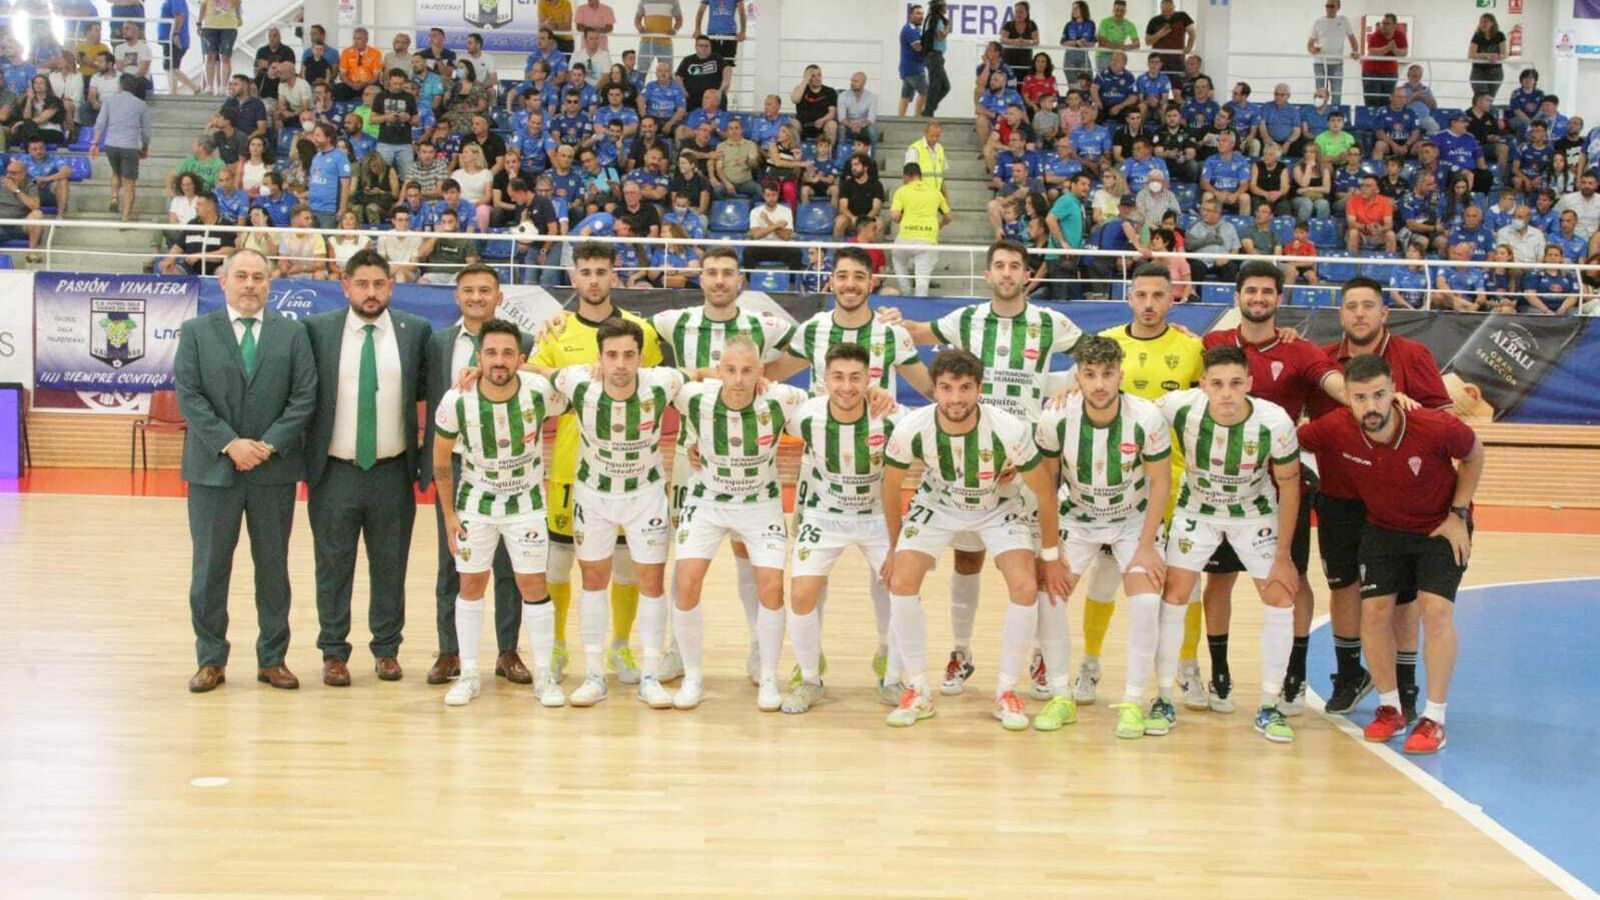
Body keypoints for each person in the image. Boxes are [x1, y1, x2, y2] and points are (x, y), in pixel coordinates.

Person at [876, 241, 1086, 697]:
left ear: (1027, 275)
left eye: (1015, 266)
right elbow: (922, 332)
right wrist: (897, 322)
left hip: (1022, 455)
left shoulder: (1051, 322)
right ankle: (961, 651)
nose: (1007, 273)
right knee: (966, 557)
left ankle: (1038, 656)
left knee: (1034, 567)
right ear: (988, 274)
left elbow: (1095, 356)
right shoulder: (967, 319)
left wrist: (1067, 388)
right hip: (964, 453)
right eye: (999, 266)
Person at [1299, 354, 1483, 754]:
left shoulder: (1434, 426)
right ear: (1347, 398)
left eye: (1380, 395)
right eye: (1361, 397)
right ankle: (1390, 707)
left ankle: (1434, 717)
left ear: (1394, 393)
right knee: (1375, 612)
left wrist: (1458, 513)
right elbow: (1288, 439)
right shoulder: (1335, 427)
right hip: (1383, 529)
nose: (1371, 406)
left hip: (1439, 528)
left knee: (1435, 611)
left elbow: (1473, 454)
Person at [880, 346, 1066, 730]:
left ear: (979, 388)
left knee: (1025, 586)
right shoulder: (913, 426)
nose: (956, 398)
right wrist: (895, 546)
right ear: (934, 389)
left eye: (965, 388)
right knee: (901, 580)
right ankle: (917, 689)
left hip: (998, 505)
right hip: (938, 503)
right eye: (946, 388)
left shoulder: (1009, 428)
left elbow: (1045, 491)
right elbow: (890, 485)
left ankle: (1006, 691)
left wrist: (1049, 553)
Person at [1199, 261, 1347, 717]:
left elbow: (1332, 382)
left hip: (1282, 484)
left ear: (1278, 299)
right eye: (1251, 290)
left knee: (1292, 577)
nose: (1258, 298)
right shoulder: (1214, 345)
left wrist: (1369, 396)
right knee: (1218, 578)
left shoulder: (1299, 351)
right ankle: (1219, 673)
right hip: (1223, 483)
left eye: (1267, 291)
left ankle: (1294, 673)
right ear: (1238, 296)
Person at [1303, 277, 1452, 716]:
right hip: (1340, 497)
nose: (1361, 314)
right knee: (1344, 585)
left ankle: (1405, 685)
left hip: (1397, 503)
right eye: (1352, 306)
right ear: (1341, 315)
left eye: (1370, 306)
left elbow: (1443, 426)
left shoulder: (1412, 356)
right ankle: (1351, 675)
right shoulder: (1324, 363)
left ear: (1384, 313)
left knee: (1403, 597)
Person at [174, 249, 318, 693]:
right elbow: (190, 396)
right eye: (242, 276)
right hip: (213, 472)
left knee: (273, 569)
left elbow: (304, 398)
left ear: (270, 284)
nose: (250, 284)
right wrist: (229, 443)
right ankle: (211, 659)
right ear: (223, 282)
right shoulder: (196, 332)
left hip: (273, 473)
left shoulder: (293, 334)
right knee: (210, 569)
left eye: (259, 276)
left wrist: (267, 445)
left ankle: (272, 659)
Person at [1149, 345, 1301, 742]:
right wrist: (1069, 391)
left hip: (1255, 514)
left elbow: (1289, 483)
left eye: (1236, 383)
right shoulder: (1180, 407)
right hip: (1196, 511)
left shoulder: (1275, 421)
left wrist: (1283, 555)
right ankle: (1163, 697)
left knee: (1281, 596)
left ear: (1250, 383)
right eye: (1217, 384)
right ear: (1203, 385)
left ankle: (1270, 705)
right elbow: (1128, 407)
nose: (1227, 393)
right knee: (1175, 594)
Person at [299, 250, 431, 687]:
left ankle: (387, 650)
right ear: (346, 286)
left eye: (379, 284)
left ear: (391, 285)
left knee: (390, 565)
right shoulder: (317, 331)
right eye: (363, 284)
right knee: (332, 565)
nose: (371, 293)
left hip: (393, 471)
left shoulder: (416, 332)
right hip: (334, 471)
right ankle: (333, 652)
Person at [1035, 335, 1172, 737]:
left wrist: (1146, 547)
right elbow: (1046, 484)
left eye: (1107, 374)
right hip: (1076, 519)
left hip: (1132, 519)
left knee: (1146, 602)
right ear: (1077, 376)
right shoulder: (1055, 417)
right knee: (1051, 597)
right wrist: (1049, 552)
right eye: (1090, 374)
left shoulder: (1145, 417)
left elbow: (1160, 484)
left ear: (1121, 376)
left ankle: (1132, 700)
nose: (1099, 384)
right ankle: (1061, 695)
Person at [431, 318, 568, 707]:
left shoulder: (539, 392)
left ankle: (544, 676)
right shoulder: (457, 398)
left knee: (533, 587)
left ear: (520, 358)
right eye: (491, 352)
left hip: (526, 507)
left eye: (508, 353)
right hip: (475, 505)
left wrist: (536, 368)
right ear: (478, 356)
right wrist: (448, 516)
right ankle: (470, 673)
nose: (499, 360)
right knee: (471, 586)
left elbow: (579, 390)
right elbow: (441, 461)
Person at [668, 337, 809, 711]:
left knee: (772, 587)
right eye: (730, 370)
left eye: (748, 370)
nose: (739, 379)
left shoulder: (781, 399)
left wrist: (876, 392)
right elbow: (652, 380)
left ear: (761, 373)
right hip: (708, 501)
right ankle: (694, 677)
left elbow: (836, 403)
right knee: (686, 580)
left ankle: (768, 677)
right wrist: (696, 374)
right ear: (718, 371)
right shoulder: (694, 396)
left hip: (760, 503)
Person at [88, 72, 150, 222]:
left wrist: (94, 143)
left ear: (120, 85)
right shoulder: (141, 104)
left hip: (111, 144)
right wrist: (145, 147)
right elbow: (146, 130)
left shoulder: (109, 101)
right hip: (129, 145)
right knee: (129, 182)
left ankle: (114, 197)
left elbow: (100, 123)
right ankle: (125, 217)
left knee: (116, 172)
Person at [888, 161, 950, 297]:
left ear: (906, 176)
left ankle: (906, 292)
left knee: (898, 260)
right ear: (919, 175)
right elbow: (948, 217)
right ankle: (920, 302)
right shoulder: (935, 192)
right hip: (928, 238)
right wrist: (940, 225)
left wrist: (901, 220)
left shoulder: (902, 191)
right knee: (923, 278)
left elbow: (894, 215)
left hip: (906, 235)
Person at [1306, 0, 1358, 106]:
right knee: (1320, 93)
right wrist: (1313, 50)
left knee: (1337, 93)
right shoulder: (1319, 22)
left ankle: (1335, 117)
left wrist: (1355, 51)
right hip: (1320, 63)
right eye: (1327, 6)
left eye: (1332, 6)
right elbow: (1309, 44)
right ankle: (1319, 116)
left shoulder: (1344, 20)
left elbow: (1352, 39)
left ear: (1338, 7)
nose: (1329, 8)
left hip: (1337, 63)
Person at [372, 68, 419, 180]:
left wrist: (408, 118)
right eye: (395, 84)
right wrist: (386, 117)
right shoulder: (380, 96)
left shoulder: (409, 97)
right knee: (381, 174)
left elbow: (417, 122)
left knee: (408, 176)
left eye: (401, 84)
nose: (398, 86)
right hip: (385, 141)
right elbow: (372, 119)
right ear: (389, 81)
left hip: (405, 142)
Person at [1362, 13, 1406, 108]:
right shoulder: (1376, 35)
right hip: (1372, 71)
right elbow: (1372, 51)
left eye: (1387, 23)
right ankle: (1372, 119)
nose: (1384, 26)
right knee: (1372, 99)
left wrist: (1394, 50)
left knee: (1387, 100)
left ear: (1394, 25)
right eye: (1383, 23)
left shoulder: (1400, 35)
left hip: (1390, 72)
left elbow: (1404, 52)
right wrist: (1387, 48)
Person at [675, 34, 731, 110]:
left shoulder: (717, 58)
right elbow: (678, 77)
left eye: (707, 46)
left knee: (719, 98)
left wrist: (721, 90)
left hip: (713, 96)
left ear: (711, 47)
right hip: (692, 97)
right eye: (701, 46)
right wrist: (683, 92)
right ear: (696, 47)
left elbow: (727, 70)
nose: (704, 48)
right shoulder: (688, 60)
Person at [1346, 173, 1397, 254]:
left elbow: (1389, 224)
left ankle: (1389, 264)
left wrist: (1380, 229)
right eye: (1362, 185)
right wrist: (1366, 227)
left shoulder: (1385, 202)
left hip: (1378, 234)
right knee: (1353, 233)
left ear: (1377, 190)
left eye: (1368, 186)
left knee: (1390, 234)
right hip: (1361, 233)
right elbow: (1351, 223)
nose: (1363, 189)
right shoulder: (1352, 200)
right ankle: (1352, 263)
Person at [197, 0, 240, 94]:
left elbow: (237, 3)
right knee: (209, 56)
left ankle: (223, 87)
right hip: (209, 25)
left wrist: (238, 17)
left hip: (229, 26)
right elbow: (203, 5)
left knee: (225, 56)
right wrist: (199, 23)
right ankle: (209, 86)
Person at [159, 0, 200, 95]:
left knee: (170, 67)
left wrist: (175, 34)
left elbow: (179, 16)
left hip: (173, 39)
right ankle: (173, 93)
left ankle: (195, 87)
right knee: (172, 67)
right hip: (172, 39)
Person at [1145, 0, 1194, 75]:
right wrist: (1159, 34)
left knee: (1177, 82)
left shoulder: (1182, 16)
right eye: (1164, 10)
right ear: (1160, 8)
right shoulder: (1154, 21)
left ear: (1174, 7)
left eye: (1169, 10)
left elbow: (1192, 32)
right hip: (1159, 60)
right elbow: (1147, 42)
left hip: (1177, 59)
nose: (1167, 13)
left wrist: (1189, 47)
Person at [921, 0, 951, 117]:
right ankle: (928, 112)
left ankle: (930, 107)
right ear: (940, 7)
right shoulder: (936, 19)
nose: (946, 8)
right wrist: (948, 26)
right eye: (945, 6)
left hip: (936, 56)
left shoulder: (932, 18)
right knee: (935, 84)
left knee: (945, 86)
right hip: (934, 55)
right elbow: (940, 36)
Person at [1467, 13, 1507, 102]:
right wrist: (1486, 55)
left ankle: (1486, 115)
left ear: (1492, 23)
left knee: (1489, 100)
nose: (1483, 24)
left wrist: (1497, 56)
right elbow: (1471, 54)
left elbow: (1504, 54)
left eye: (1485, 22)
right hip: (1478, 71)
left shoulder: (1500, 35)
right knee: (1480, 98)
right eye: (1481, 22)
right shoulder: (1477, 36)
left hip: (1495, 72)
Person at [695, 0, 746, 67]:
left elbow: (742, 12)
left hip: (730, 33)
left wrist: (743, 31)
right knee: (712, 63)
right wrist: (697, 29)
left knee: (728, 63)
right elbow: (700, 12)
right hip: (713, 33)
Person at [897, 5, 927, 117]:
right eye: (918, 13)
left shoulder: (915, 29)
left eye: (922, 14)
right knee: (925, 93)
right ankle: (918, 117)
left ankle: (900, 119)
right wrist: (932, 51)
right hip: (914, 69)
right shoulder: (910, 29)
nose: (921, 16)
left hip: (907, 69)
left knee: (906, 96)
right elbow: (918, 47)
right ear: (910, 15)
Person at [1096, 0, 1139, 74]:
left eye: (1122, 11)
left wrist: (1123, 47)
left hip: (1118, 58)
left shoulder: (1130, 25)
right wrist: (1120, 47)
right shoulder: (1105, 22)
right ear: (1113, 10)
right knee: (1103, 82)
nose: (1119, 13)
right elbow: (1102, 43)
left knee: (1117, 82)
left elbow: (1137, 44)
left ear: (1125, 11)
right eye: (1117, 10)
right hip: (1103, 56)